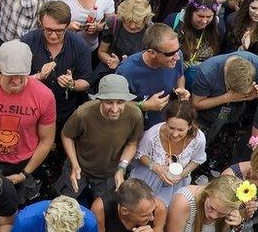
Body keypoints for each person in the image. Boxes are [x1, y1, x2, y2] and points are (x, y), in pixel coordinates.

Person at [0, 41, 56, 195]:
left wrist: (24, 174)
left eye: (21, 75)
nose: (16, 80)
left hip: (25, 162)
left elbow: (46, 140)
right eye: (10, 75)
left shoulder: (44, 96)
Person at [58, 73, 143, 201]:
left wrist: (121, 169)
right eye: (109, 102)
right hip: (80, 168)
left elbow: (132, 144)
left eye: (120, 102)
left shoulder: (135, 115)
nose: (115, 109)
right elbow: (66, 135)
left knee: (103, 210)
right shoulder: (83, 113)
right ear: (100, 100)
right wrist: (75, 165)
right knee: (63, 204)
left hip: (109, 174)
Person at [21, 1, 94, 125]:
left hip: (65, 112)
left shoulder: (80, 46)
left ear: (67, 26)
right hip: (31, 110)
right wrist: (37, 77)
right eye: (48, 30)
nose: (53, 36)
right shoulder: (28, 42)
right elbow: (15, 79)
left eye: (60, 31)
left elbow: (86, 82)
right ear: (40, 24)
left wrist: (72, 84)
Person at [128, 101, 207, 205]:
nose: (175, 134)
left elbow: (197, 159)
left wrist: (183, 174)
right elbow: (140, 154)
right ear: (166, 121)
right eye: (171, 128)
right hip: (149, 178)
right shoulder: (152, 136)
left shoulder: (199, 139)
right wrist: (156, 168)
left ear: (190, 126)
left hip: (177, 182)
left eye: (180, 130)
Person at [116, 24, 189, 129]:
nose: (176, 57)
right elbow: (113, 104)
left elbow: (179, 75)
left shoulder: (176, 56)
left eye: (178, 50)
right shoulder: (126, 72)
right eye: (171, 54)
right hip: (136, 125)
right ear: (152, 53)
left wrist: (181, 88)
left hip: (164, 123)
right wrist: (144, 105)